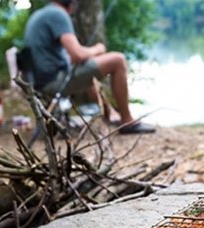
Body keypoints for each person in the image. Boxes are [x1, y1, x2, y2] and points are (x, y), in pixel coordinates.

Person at [23, 0, 155, 134]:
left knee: (86, 68)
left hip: (40, 81)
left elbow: (66, 58)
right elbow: (78, 54)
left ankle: (110, 114)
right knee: (118, 60)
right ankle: (127, 121)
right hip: (54, 82)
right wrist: (98, 49)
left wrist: (87, 56)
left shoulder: (40, 14)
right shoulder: (57, 14)